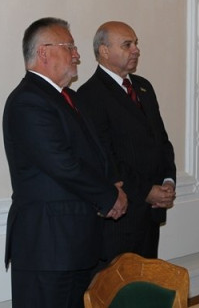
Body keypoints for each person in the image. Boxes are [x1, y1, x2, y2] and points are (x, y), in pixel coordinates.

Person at [2, 17, 128, 308]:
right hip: (48, 246)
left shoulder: (70, 98)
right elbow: (63, 164)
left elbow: (96, 153)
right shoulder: (27, 100)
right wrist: (108, 196)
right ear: (43, 52)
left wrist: (113, 184)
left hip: (77, 243)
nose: (77, 55)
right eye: (69, 47)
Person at [77, 20, 176, 260]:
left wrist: (168, 181)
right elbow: (105, 157)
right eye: (127, 45)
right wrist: (146, 191)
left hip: (151, 213)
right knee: (121, 282)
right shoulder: (90, 94)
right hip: (121, 217)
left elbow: (161, 140)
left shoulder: (143, 87)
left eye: (135, 44)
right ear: (104, 51)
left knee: (148, 279)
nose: (136, 50)